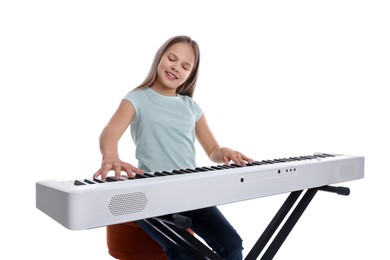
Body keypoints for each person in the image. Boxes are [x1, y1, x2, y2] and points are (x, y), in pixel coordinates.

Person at [93, 35, 253, 260]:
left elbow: (213, 150)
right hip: (152, 194)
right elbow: (110, 132)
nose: (176, 68)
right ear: (159, 58)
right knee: (182, 251)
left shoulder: (191, 107)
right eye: (172, 59)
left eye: (185, 66)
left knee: (232, 245)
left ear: (190, 75)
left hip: (191, 191)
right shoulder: (137, 98)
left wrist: (223, 152)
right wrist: (110, 156)